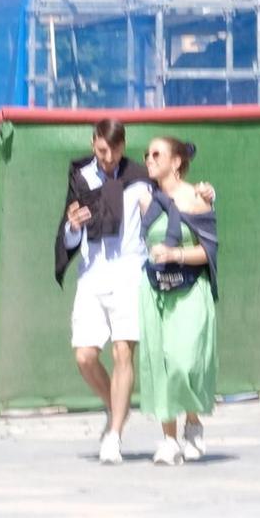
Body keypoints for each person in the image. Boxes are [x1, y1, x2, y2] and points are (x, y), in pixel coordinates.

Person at [55, 118, 149, 465]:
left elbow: (163, 213)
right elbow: (68, 235)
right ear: (94, 142)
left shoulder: (139, 178)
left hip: (129, 273)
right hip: (92, 275)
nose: (107, 158)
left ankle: (114, 435)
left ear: (123, 147)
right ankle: (116, 408)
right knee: (85, 356)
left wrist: (203, 195)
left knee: (124, 352)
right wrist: (72, 226)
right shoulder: (81, 176)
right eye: (101, 150)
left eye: (113, 151)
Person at [135, 136, 220, 467]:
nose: (149, 159)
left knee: (184, 363)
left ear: (176, 162)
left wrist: (175, 254)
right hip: (155, 290)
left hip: (189, 290)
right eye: (147, 154)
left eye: (157, 154)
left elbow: (208, 251)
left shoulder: (197, 199)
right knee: (162, 364)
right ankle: (169, 438)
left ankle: (193, 420)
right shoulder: (147, 201)